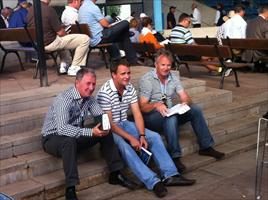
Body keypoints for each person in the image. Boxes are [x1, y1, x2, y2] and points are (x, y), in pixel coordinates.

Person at [97, 60, 196, 198]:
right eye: (123, 74)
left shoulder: (129, 87)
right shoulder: (105, 92)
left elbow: (137, 113)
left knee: (154, 136)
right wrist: (132, 138)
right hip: (110, 128)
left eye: (128, 73)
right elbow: (110, 124)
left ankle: (170, 175)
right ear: (114, 75)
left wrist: (142, 135)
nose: (127, 76)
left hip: (125, 122)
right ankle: (153, 182)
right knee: (125, 147)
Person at [41, 68, 137, 200]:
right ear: (77, 83)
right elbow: (62, 129)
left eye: (93, 84)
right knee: (68, 140)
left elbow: (100, 116)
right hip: (53, 138)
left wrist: (104, 125)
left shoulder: (89, 99)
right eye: (88, 83)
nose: (91, 87)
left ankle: (115, 173)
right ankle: (71, 188)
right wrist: (91, 131)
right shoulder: (63, 99)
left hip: (75, 136)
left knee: (105, 131)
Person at [138, 49, 225, 173]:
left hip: (168, 112)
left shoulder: (173, 77)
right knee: (170, 118)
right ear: (156, 65)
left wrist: (185, 102)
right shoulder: (147, 80)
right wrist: (156, 105)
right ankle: (175, 157)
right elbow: (142, 107)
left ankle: (206, 146)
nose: (166, 68)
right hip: (152, 117)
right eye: (163, 65)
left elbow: (184, 96)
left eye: (168, 65)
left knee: (195, 109)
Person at [27, 0, 90, 76]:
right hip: (50, 43)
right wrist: (66, 33)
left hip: (38, 45)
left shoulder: (30, 10)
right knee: (85, 39)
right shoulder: (49, 10)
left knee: (63, 42)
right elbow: (60, 32)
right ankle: (75, 67)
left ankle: (64, 65)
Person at [78, 0, 137, 64]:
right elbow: (105, 24)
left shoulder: (82, 8)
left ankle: (119, 59)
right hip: (99, 38)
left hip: (91, 38)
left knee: (124, 35)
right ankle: (130, 60)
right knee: (126, 22)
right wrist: (113, 24)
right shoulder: (92, 7)